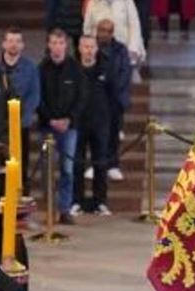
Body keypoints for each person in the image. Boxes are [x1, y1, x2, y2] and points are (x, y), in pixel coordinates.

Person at [38, 28, 85, 226]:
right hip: (47, 127)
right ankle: (49, 208)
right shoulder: (41, 68)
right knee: (47, 170)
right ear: (49, 45)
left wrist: (68, 119)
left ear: (66, 45)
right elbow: (38, 97)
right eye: (54, 43)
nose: (57, 47)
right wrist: (50, 120)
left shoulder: (75, 69)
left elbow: (82, 97)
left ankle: (64, 209)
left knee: (67, 169)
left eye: (61, 43)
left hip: (69, 127)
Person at [75, 35, 113, 215]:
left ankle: (100, 202)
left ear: (96, 49)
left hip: (100, 123)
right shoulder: (73, 69)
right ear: (79, 48)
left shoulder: (106, 67)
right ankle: (77, 201)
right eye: (85, 46)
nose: (89, 50)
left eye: (92, 47)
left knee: (100, 163)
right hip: (78, 123)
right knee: (77, 164)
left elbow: (114, 95)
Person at [0, 27, 40, 185]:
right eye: (10, 41)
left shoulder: (30, 68)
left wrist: (22, 118)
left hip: (21, 125)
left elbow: (34, 96)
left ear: (22, 45)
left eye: (17, 41)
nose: (13, 45)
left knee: (21, 165)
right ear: (4, 44)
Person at [95, 19, 131, 184]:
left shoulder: (120, 50)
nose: (103, 34)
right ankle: (96, 164)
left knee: (113, 134)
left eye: (107, 31)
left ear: (112, 33)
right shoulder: (92, 47)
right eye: (101, 30)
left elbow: (125, 73)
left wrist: (116, 91)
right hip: (96, 100)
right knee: (97, 135)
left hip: (115, 99)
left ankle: (113, 164)